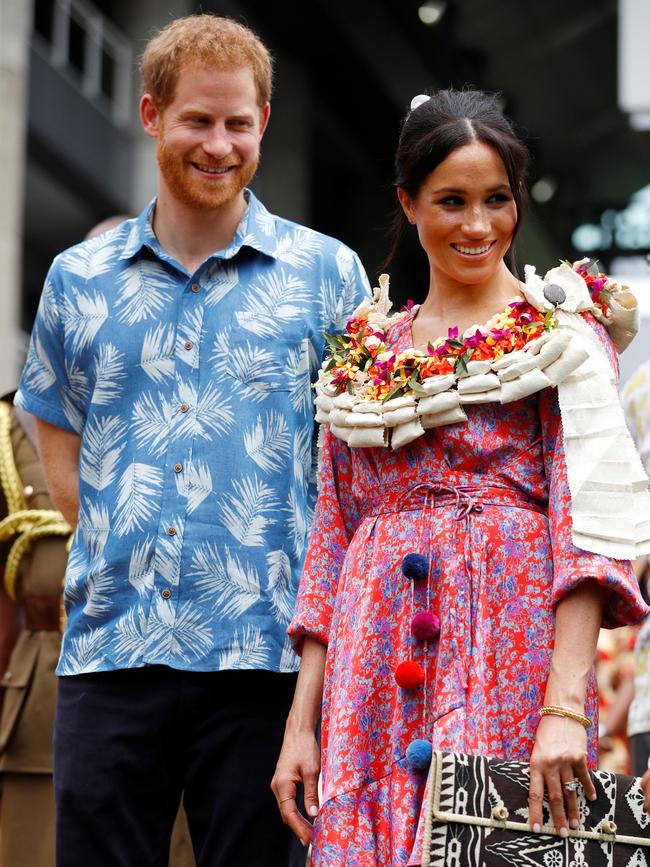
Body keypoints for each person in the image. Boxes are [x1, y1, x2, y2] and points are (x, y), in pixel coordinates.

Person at [14, 13, 369, 867]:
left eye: (237, 122)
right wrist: (111, 538)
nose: (219, 144)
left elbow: (361, 462)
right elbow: (54, 423)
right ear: (151, 117)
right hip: (109, 653)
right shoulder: (78, 278)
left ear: (263, 125)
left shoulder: (329, 276)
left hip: (267, 663)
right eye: (198, 121)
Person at [272, 88, 650, 865]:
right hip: (370, 666)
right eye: (451, 200)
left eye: (496, 200)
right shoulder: (361, 353)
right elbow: (331, 537)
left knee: (498, 846)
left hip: (509, 653)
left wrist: (565, 709)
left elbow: (589, 531)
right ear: (409, 203)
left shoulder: (564, 340)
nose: (478, 225)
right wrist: (300, 724)